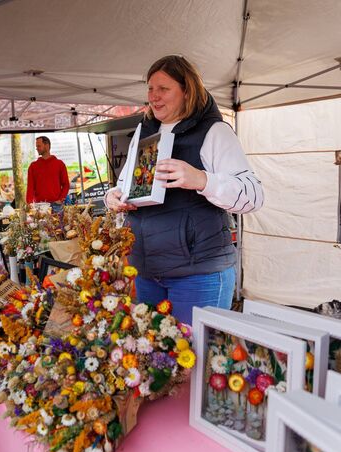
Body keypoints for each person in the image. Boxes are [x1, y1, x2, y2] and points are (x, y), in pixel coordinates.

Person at [105, 55, 264, 324]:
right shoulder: (143, 131)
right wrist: (114, 196)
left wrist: (203, 180)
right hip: (147, 272)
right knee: (155, 360)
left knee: (194, 359)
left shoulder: (214, 132)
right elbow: (125, 184)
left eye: (163, 89)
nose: (154, 97)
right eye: (150, 89)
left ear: (187, 90)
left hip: (198, 275)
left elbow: (253, 196)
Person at [26, 136, 69, 213]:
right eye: (36, 146)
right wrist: (29, 202)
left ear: (47, 146)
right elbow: (30, 187)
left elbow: (66, 184)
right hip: (39, 206)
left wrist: (60, 199)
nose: (37, 148)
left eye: (39, 146)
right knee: (40, 225)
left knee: (58, 225)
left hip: (57, 205)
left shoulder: (59, 164)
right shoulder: (33, 166)